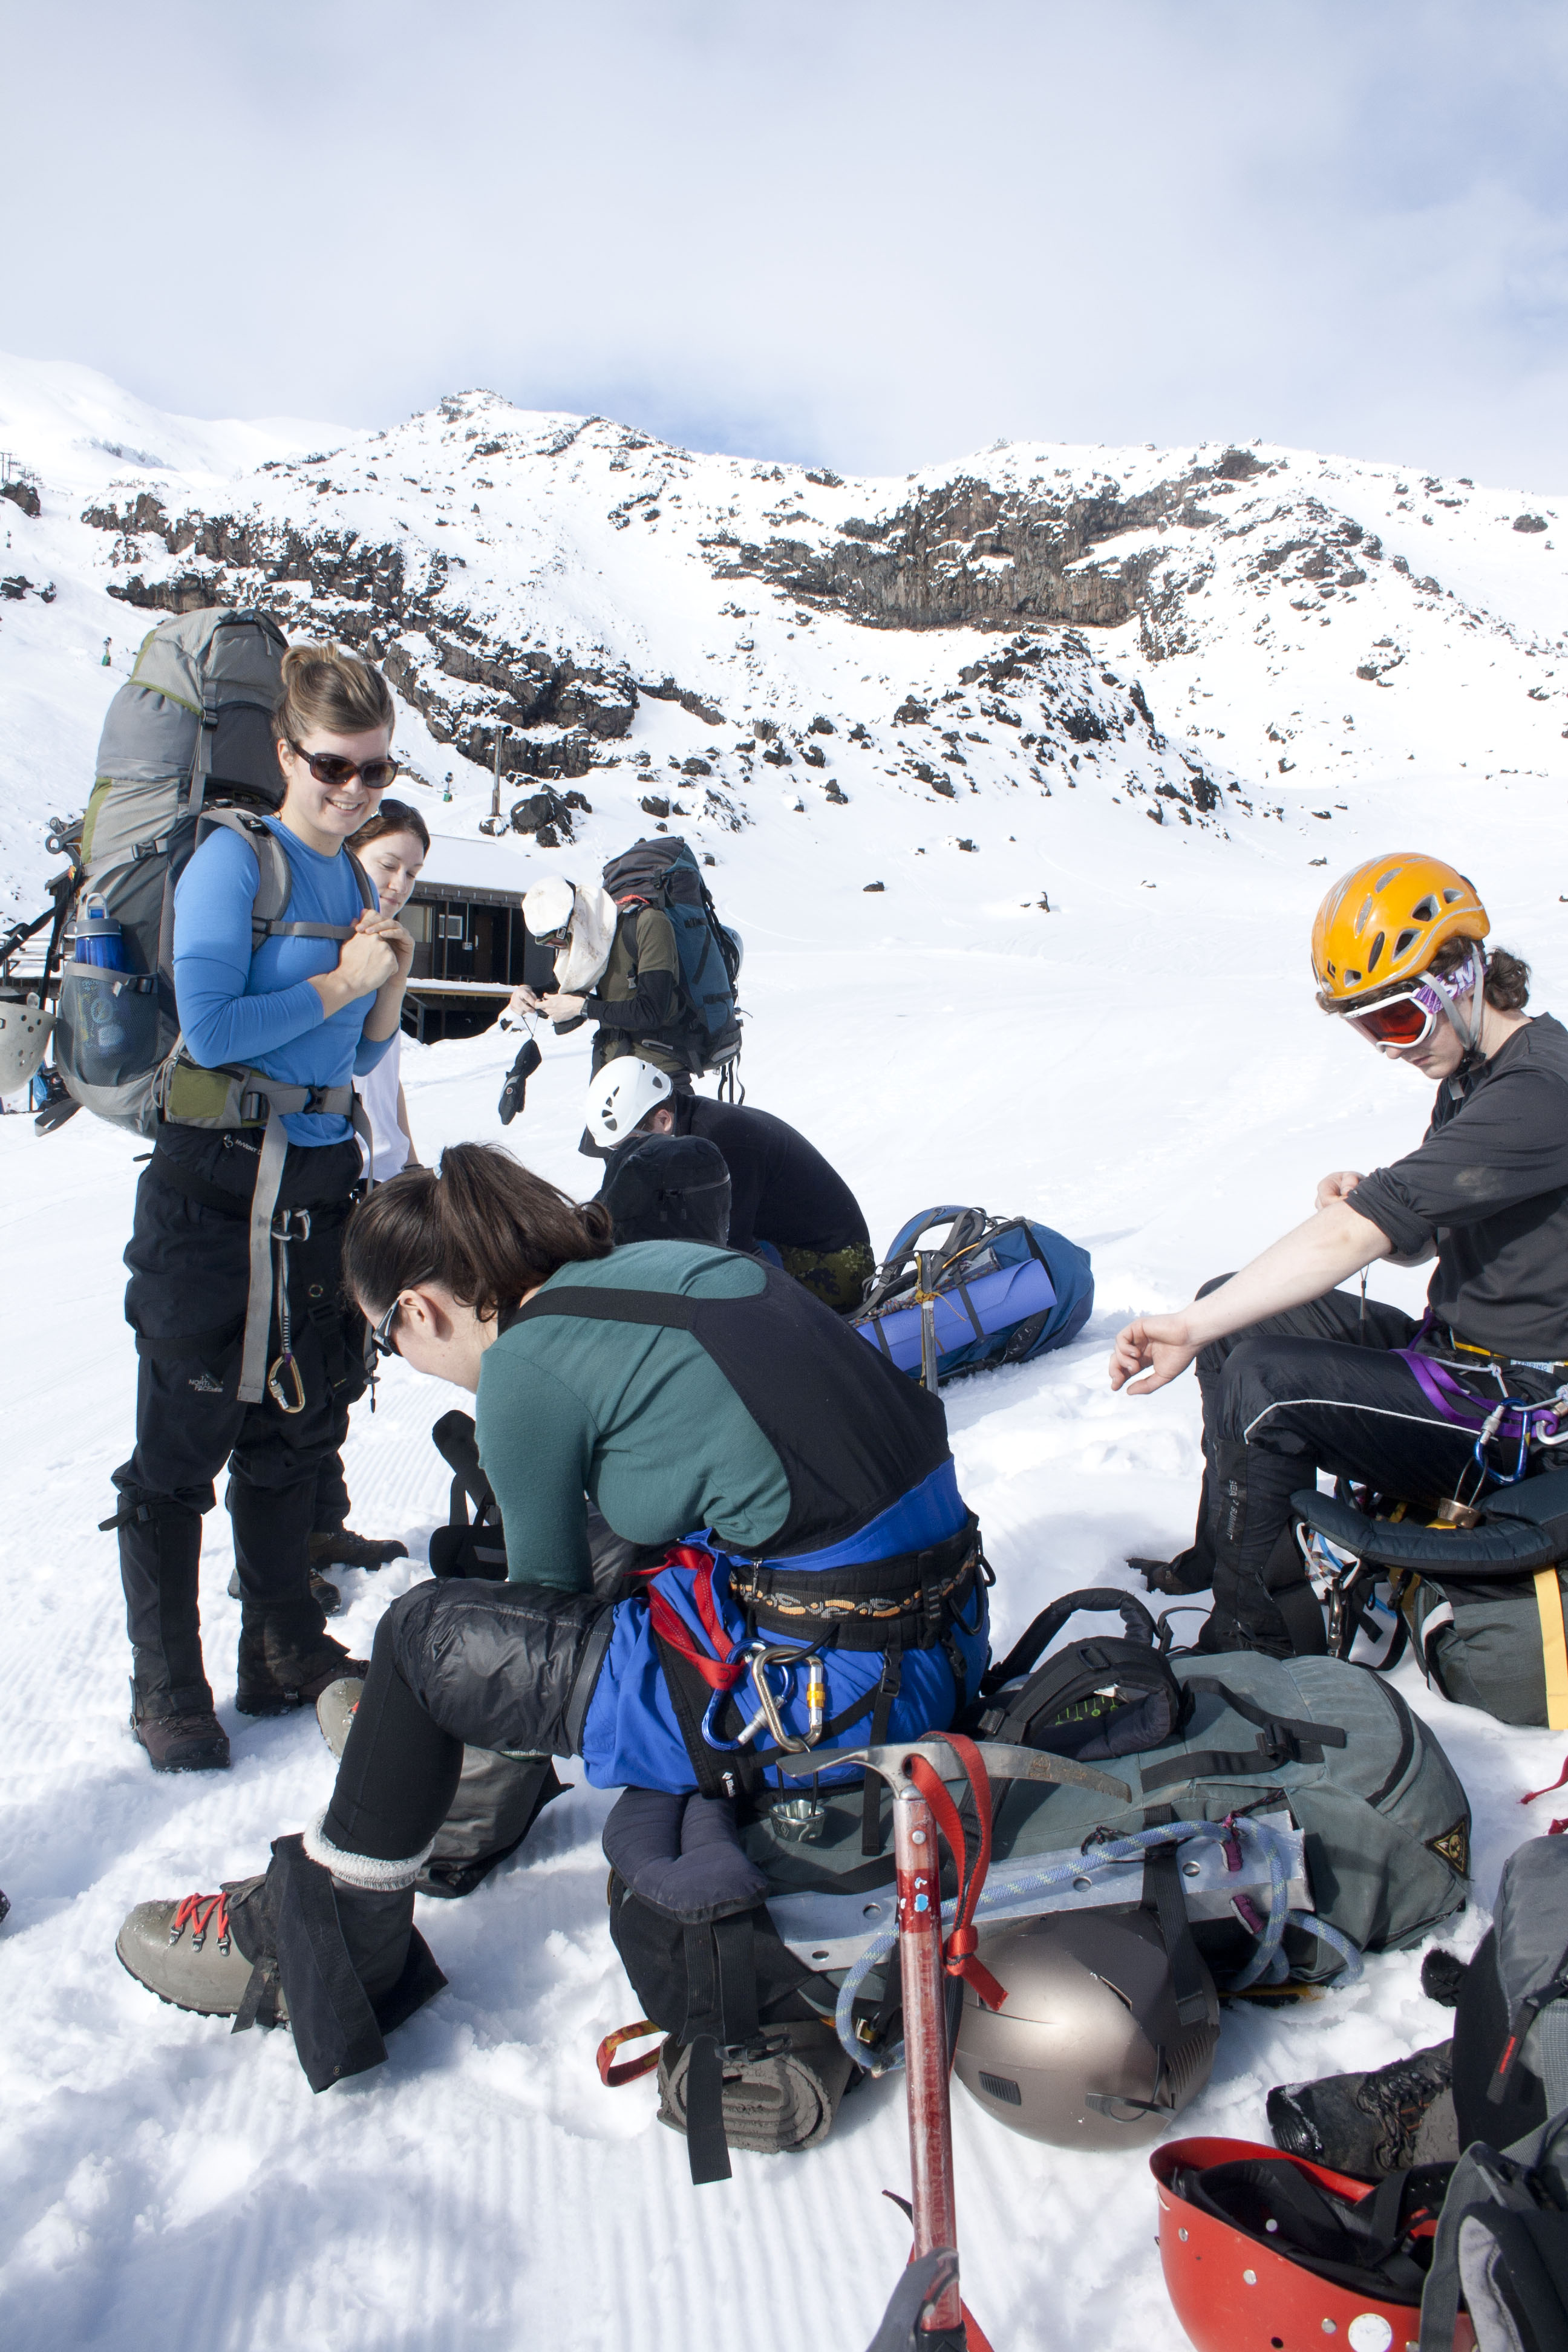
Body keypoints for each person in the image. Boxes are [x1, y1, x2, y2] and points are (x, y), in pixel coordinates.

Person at [114, 1143, 990, 2083]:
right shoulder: (667, 1269)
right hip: (943, 1641)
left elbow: (541, 1626)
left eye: (383, 1343)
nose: (398, 1361)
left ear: (418, 1309)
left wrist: (450, 1684)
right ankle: (426, 1788)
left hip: (835, 1700)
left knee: (422, 1640)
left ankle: (324, 1941)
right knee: (609, 1554)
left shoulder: (523, 1371)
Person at [1111, 853, 1568, 1658]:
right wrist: (1370, 1203)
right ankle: (1226, 1560)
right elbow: (1421, 1233)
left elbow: (1364, 1234)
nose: (1388, 1049)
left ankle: (1256, 1647)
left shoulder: (1539, 1091)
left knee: (1264, 1384)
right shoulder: (1473, 1075)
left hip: (1521, 1416)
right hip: (1458, 1363)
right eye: (1368, 1028)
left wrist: (1186, 1324)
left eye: (1396, 1021)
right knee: (1231, 1311)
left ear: (1460, 975)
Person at [109, 642, 415, 1771]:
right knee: (180, 1440)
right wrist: (341, 979)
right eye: (334, 765)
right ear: (287, 753)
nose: (355, 790)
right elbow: (214, 1028)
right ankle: (167, 1684)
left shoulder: (354, 884)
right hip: (216, 1182)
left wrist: (386, 984)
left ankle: (281, 1645)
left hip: (317, 1181)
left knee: (297, 1424)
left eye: (376, 770)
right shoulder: (233, 864)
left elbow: (356, 1058)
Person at [313, 799, 431, 1579]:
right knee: (311, 1368)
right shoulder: (334, 950)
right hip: (330, 1182)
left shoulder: (382, 949)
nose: (398, 884)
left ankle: (322, 1524)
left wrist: (412, 1165)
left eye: (411, 874)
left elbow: (386, 1078)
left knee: (346, 1367)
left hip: (377, 1190)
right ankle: (287, 1547)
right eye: (388, 864)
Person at [587, 1058, 875, 1312]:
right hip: (783, 1240)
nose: (625, 1156)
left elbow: (730, 1249)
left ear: (664, 1120)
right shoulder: (686, 1131)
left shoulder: (721, 1140)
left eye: (628, 1145)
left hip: (839, 1263)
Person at [509, 869, 690, 1084]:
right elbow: (566, 986)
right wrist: (530, 994)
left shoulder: (649, 924)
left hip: (658, 1073)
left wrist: (582, 1007)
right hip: (609, 1069)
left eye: (558, 940)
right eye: (550, 944)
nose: (562, 947)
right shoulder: (592, 938)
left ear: (575, 919)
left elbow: (651, 1011)